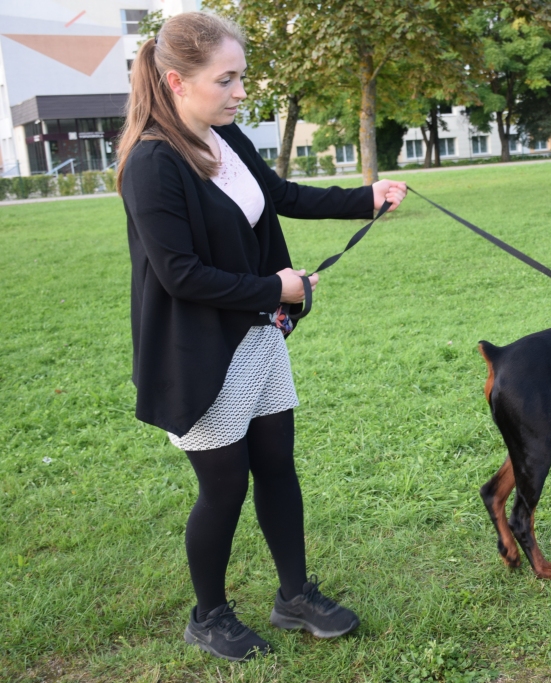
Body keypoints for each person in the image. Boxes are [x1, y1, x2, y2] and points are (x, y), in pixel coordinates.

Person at [117, 12, 408, 662]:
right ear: (176, 81)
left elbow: (278, 194)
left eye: (241, 77)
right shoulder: (152, 165)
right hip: (197, 353)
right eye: (227, 79)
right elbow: (181, 275)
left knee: (277, 463)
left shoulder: (225, 135)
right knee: (224, 486)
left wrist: (366, 198)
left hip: (256, 335)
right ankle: (208, 614)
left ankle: (294, 594)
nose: (240, 91)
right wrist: (278, 288)